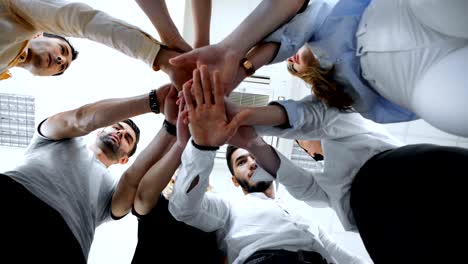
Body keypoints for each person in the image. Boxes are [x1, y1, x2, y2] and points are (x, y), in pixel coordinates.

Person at [171, 0, 468, 137]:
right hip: (418, 84)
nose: (291, 60)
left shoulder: (319, 23)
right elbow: (304, 116)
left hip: (408, 13)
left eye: (290, 60)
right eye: (294, 68)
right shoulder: (334, 97)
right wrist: (240, 115)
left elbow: (292, 29)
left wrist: (238, 62)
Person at [168, 66, 369, 264]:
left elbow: (346, 258)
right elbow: (185, 209)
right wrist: (202, 147)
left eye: (253, 157)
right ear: (235, 180)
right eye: (241, 162)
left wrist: (254, 143)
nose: (252, 163)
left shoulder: (305, 220)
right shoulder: (228, 208)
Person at [0, 84, 175, 263]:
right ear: (100, 131)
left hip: (65, 240)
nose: (120, 133)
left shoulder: (113, 190)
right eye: (116, 127)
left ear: (123, 159)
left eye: (127, 138)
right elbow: (80, 119)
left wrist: (172, 127)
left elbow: (132, 179)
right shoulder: (58, 139)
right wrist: (153, 101)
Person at [110, 85, 223, 264]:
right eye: (175, 174)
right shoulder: (160, 207)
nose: (179, 176)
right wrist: (181, 141)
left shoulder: (215, 217)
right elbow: (142, 195)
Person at [0, 0, 192, 89]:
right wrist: (159, 57)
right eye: (62, 50)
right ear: (40, 34)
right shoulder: (18, 14)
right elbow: (83, 22)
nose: (60, 59)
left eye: (62, 66)